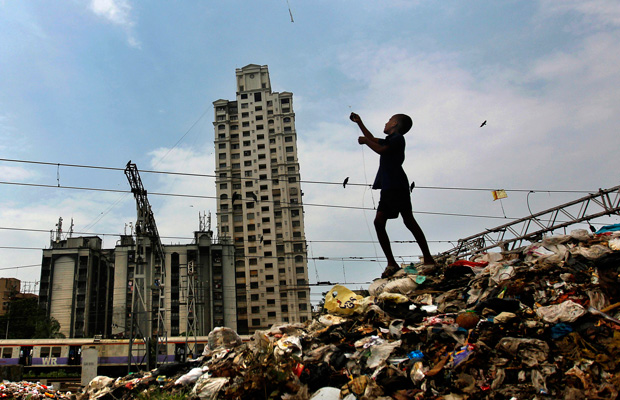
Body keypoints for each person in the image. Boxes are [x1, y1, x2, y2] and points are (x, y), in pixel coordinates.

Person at [350, 112, 435, 278]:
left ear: (395, 124)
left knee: (384, 221)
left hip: (394, 186)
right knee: (405, 221)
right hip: (394, 185)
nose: (386, 123)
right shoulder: (392, 139)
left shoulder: (397, 139)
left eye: (388, 121)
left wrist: (366, 142)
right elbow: (373, 138)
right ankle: (424, 258)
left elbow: (379, 149)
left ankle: (397, 262)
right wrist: (359, 122)